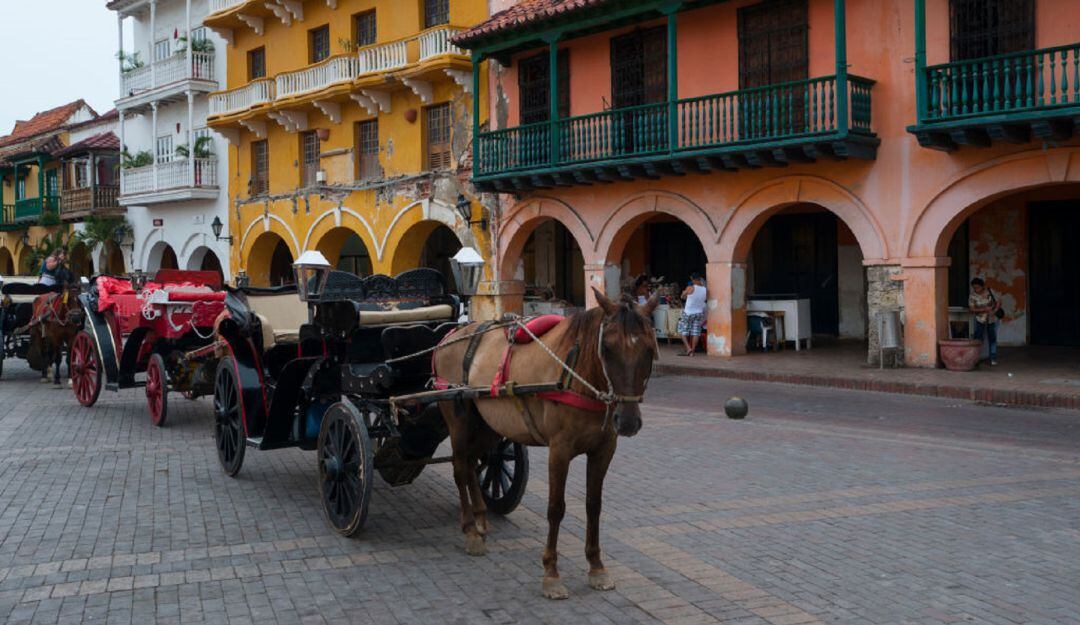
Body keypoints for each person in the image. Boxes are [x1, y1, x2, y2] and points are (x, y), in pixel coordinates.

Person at [968, 277, 1000, 366]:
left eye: (978, 287)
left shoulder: (990, 291)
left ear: (982, 286)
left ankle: (993, 358)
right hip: (980, 319)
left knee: (992, 338)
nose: (976, 289)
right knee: (978, 338)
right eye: (974, 288)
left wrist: (994, 310)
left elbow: (998, 301)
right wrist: (984, 309)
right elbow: (972, 309)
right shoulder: (973, 296)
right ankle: (976, 358)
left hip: (992, 318)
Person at [677, 273, 706, 356]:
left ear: (693, 279)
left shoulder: (690, 288)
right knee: (695, 332)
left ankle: (688, 348)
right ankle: (692, 351)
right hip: (699, 313)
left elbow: (682, 297)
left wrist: (683, 293)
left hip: (688, 313)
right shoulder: (705, 289)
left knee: (683, 331)